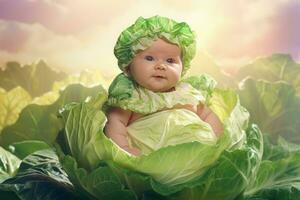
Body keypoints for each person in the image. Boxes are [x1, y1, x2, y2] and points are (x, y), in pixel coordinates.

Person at [104, 16, 223, 156]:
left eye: (170, 60)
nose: (161, 66)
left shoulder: (187, 93)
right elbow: (115, 123)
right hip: (145, 162)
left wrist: (216, 141)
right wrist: (124, 148)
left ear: (183, 67)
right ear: (129, 65)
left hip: (197, 158)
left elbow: (209, 115)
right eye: (149, 58)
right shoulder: (130, 96)